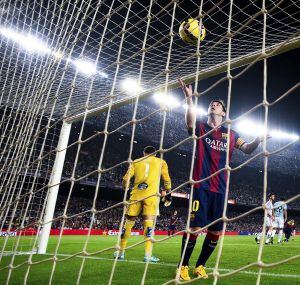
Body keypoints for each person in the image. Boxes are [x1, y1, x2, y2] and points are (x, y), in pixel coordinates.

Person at [176, 79, 269, 281]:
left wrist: (258, 140)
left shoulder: (232, 134)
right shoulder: (201, 127)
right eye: (212, 104)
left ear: (224, 113)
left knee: (215, 232)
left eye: (217, 105)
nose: (213, 105)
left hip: (221, 189)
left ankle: (200, 265)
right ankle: (182, 266)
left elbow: (247, 149)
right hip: (200, 185)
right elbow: (189, 124)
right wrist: (190, 101)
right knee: (193, 228)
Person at [114, 146, 172, 262]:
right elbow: (166, 178)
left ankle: (121, 253)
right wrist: (168, 191)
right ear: (155, 154)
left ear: (144, 153)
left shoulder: (136, 161)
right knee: (149, 226)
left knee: (128, 224)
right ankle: (147, 255)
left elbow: (126, 179)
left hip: (135, 196)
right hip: (151, 197)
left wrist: (126, 189)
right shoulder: (161, 162)